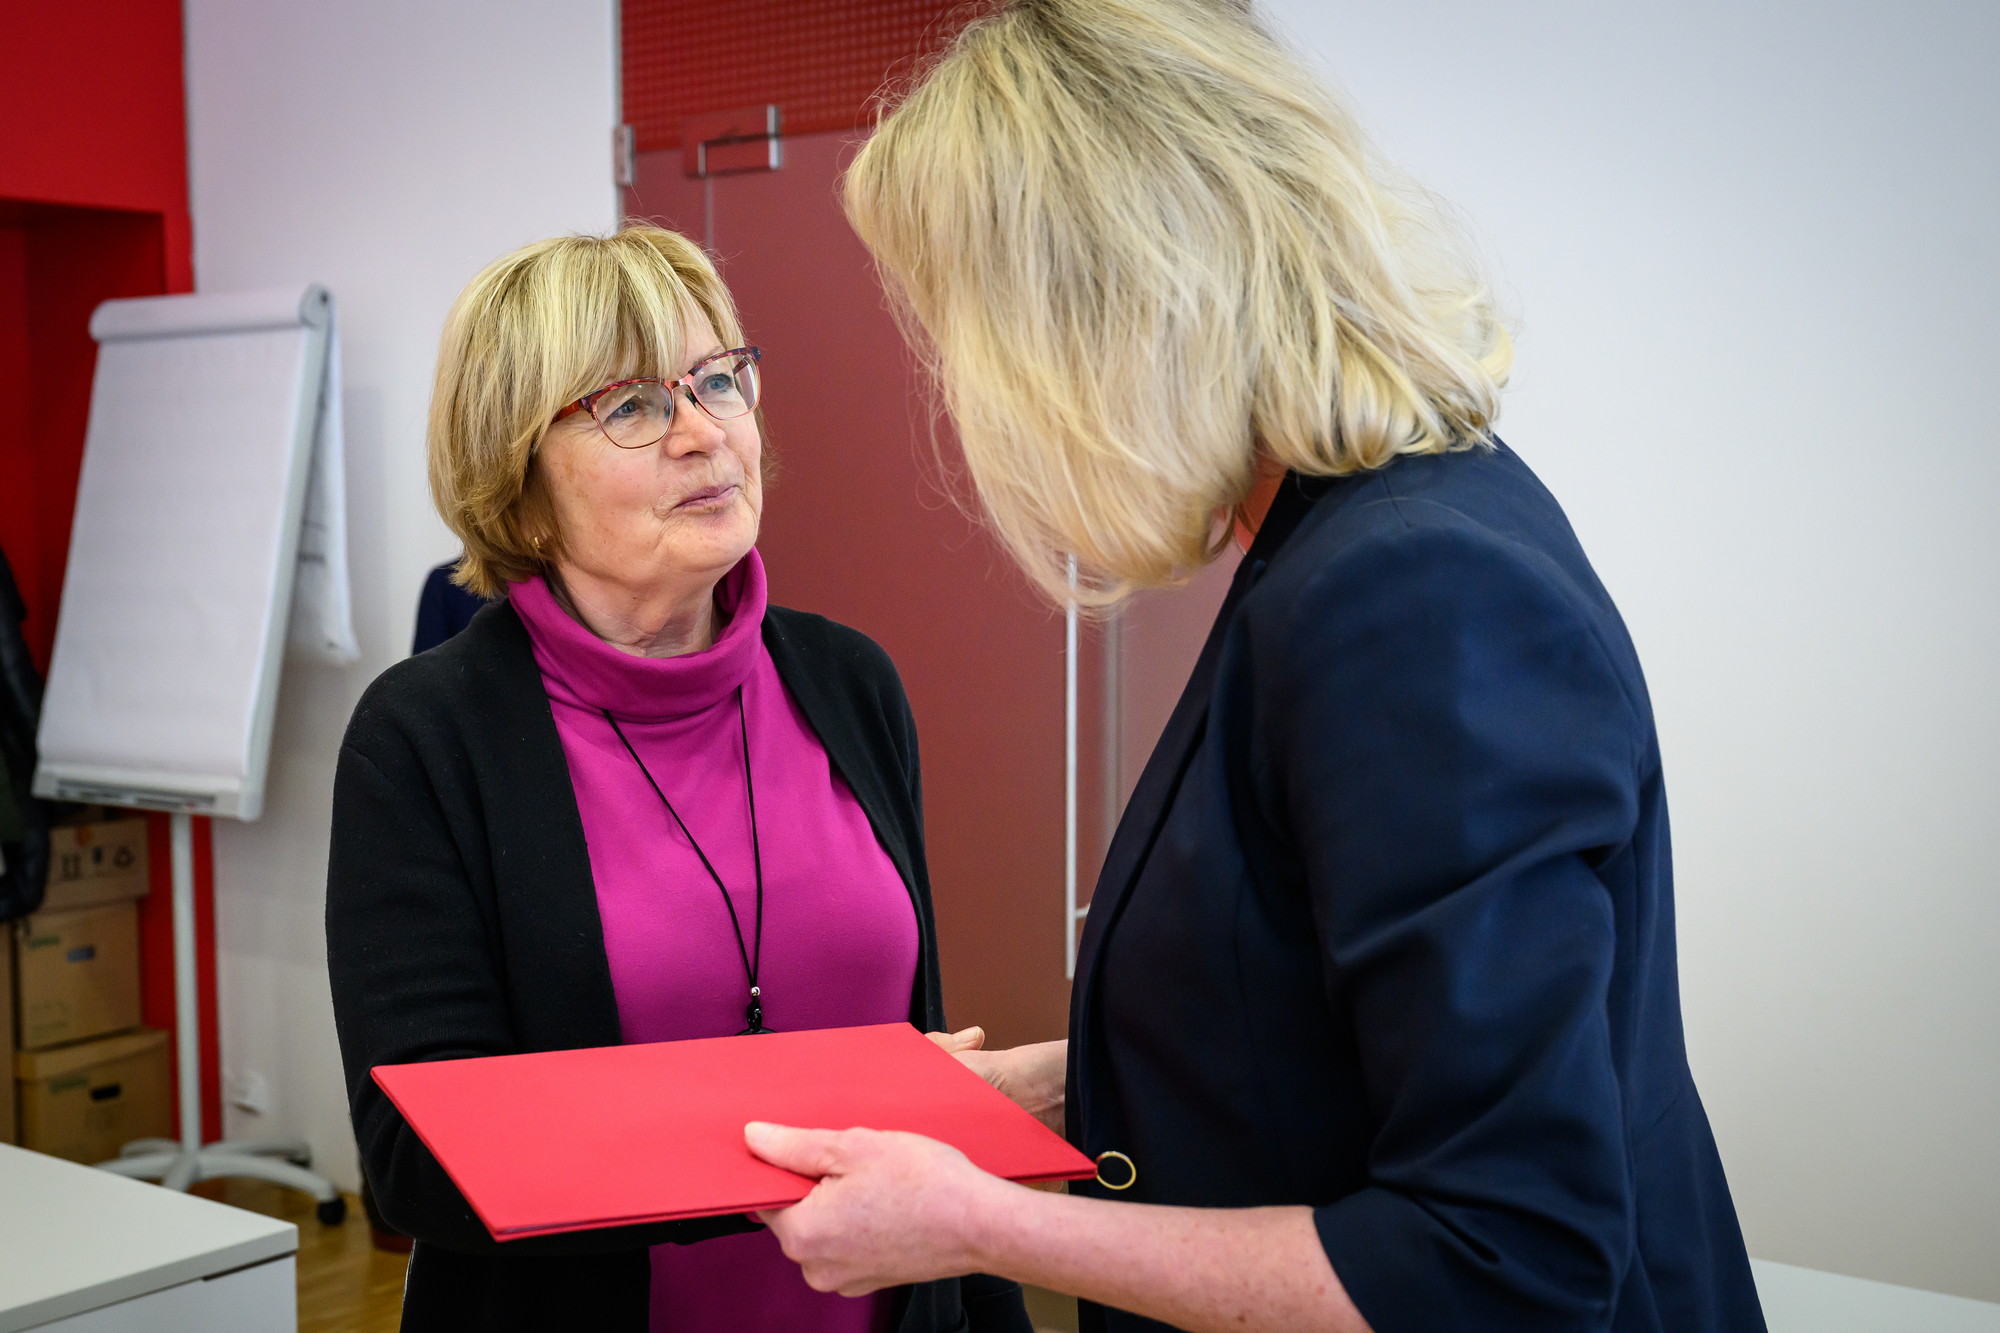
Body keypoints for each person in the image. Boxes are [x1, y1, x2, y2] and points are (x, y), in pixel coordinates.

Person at [743, 4, 1767, 1332]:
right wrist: (1032, 1090)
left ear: (1105, 309)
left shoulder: (1412, 593)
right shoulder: (1365, 527)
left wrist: (974, 1220)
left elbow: (1501, 1258)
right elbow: (1306, 1020)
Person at [326, 226, 1028, 1333]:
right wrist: (821, 1120)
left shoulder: (849, 682)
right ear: (520, 487)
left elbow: (926, 1072)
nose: (704, 431)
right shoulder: (425, 736)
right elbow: (424, 1157)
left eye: (717, 380)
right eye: (634, 406)